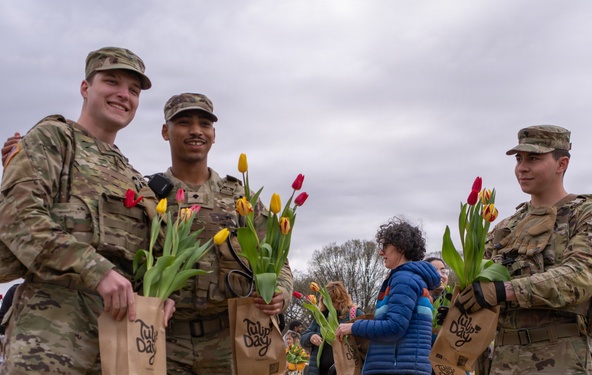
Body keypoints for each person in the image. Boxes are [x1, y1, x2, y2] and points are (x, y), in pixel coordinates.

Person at [0, 46, 175, 374]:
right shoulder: (55, 138)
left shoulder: (133, 177)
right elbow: (18, 218)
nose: (124, 95)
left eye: (133, 91)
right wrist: (96, 270)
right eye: (112, 82)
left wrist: (162, 293)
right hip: (52, 327)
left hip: (123, 332)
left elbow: (149, 253)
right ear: (85, 88)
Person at [154, 93, 294, 374]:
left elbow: (277, 259)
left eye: (204, 124)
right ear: (165, 131)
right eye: (184, 122)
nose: (196, 130)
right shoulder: (150, 195)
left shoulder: (241, 199)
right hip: (165, 339)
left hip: (229, 341)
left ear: (214, 134)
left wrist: (281, 292)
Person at [455, 125, 592, 374]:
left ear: (561, 163)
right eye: (519, 159)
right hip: (500, 360)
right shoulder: (506, 226)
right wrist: (458, 305)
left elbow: (581, 276)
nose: (522, 167)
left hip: (559, 357)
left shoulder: (585, 215)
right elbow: (477, 280)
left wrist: (505, 291)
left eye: (534, 158)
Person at [335, 217, 440, 375]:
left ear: (401, 247)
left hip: (396, 368)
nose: (380, 252)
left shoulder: (404, 279)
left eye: (385, 246)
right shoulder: (409, 278)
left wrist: (353, 327)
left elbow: (394, 327)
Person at [301, 281, 365, 375]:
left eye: (334, 301)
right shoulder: (321, 316)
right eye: (328, 301)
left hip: (347, 369)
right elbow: (303, 339)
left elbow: (368, 335)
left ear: (342, 300)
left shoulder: (354, 314)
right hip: (319, 371)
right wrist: (311, 337)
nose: (331, 305)